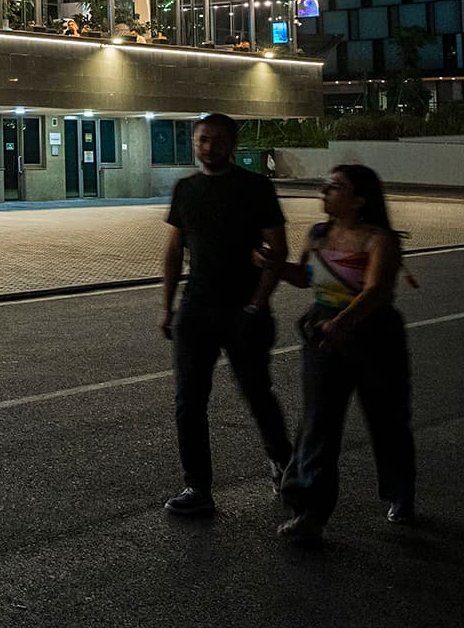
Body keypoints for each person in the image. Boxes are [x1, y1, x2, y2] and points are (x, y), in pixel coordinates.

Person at [263, 164, 415, 542]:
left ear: (360, 199)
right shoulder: (318, 235)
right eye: (326, 186)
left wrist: (343, 322)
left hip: (373, 335)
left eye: (336, 188)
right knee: (318, 421)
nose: (325, 193)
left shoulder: (379, 240)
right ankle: (309, 511)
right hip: (324, 334)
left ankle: (399, 491)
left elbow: (377, 289)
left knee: (387, 419)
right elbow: (305, 277)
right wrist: (275, 266)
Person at [158, 112, 293, 516]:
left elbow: (278, 249)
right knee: (189, 401)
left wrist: (258, 302)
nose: (208, 147)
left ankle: (284, 464)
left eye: (216, 140)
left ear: (232, 145)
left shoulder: (255, 188)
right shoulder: (186, 189)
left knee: (256, 392)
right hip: (196, 307)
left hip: (242, 310)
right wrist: (167, 307)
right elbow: (174, 249)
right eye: (202, 140)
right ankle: (197, 487)